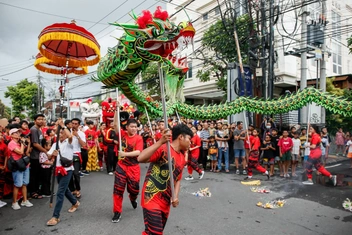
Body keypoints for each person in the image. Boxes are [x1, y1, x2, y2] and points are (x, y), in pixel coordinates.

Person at [138, 124, 193, 235]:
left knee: (152, 232)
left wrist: (175, 196)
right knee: (155, 232)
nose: (190, 143)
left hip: (165, 202)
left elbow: (177, 180)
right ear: (181, 137)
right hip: (151, 198)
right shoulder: (164, 148)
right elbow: (141, 158)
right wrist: (160, 142)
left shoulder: (182, 158)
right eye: (189, 139)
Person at [46, 119, 80, 226]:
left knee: (60, 192)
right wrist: (53, 155)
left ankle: (55, 216)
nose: (61, 134)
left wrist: (62, 125)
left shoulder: (70, 141)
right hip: (58, 170)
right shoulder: (55, 144)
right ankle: (75, 202)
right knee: (64, 190)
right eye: (60, 132)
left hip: (67, 170)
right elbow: (48, 155)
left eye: (63, 132)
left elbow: (70, 136)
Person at [112, 118, 143, 223]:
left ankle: (133, 199)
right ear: (127, 127)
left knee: (134, 190)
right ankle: (117, 212)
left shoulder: (139, 138)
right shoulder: (122, 135)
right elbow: (115, 124)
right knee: (118, 189)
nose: (134, 129)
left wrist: (125, 154)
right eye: (132, 127)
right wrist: (116, 110)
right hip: (121, 166)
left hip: (133, 168)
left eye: (135, 127)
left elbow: (138, 152)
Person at [8, 128, 33, 210]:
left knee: (25, 183)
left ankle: (24, 200)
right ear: (11, 135)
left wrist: (28, 143)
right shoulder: (11, 143)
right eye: (15, 133)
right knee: (17, 184)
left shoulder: (20, 142)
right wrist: (22, 143)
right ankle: (14, 202)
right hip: (17, 165)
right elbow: (20, 152)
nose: (17, 134)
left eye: (18, 132)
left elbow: (26, 152)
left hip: (24, 164)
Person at [29, 114, 46, 199]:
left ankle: (37, 190)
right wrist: (46, 151)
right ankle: (33, 192)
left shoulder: (39, 130)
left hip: (39, 156)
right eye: (39, 119)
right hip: (34, 156)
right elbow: (35, 144)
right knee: (34, 175)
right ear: (35, 120)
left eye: (42, 119)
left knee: (38, 175)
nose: (41, 121)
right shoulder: (34, 129)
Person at [69, 118, 86, 198]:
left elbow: (83, 145)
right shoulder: (67, 132)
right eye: (73, 123)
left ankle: (78, 189)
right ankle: (72, 189)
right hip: (67, 155)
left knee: (76, 173)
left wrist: (77, 136)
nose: (74, 125)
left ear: (79, 125)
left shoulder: (82, 134)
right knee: (69, 173)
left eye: (76, 124)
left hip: (76, 155)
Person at [0, 132, 8, 207]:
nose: (1, 136)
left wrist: (4, 165)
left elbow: (6, 156)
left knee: (1, 183)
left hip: (2, 167)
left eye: (1, 135)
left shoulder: (4, 145)